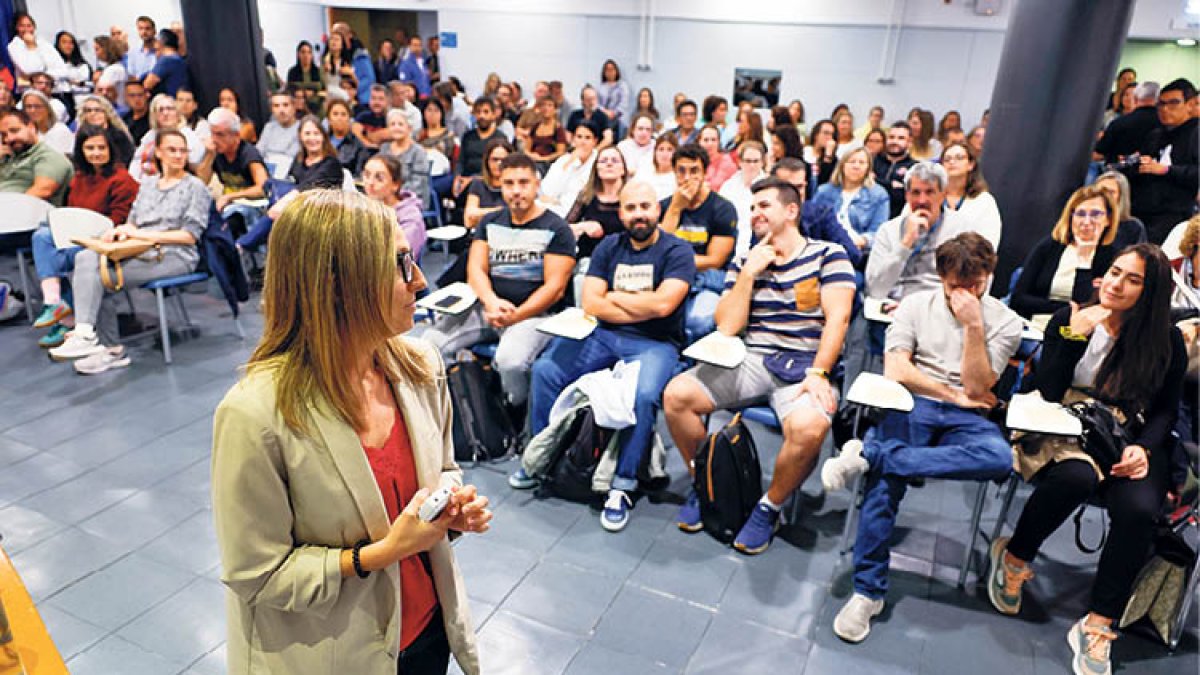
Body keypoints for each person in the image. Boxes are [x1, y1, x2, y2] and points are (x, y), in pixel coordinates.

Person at [211, 188, 489, 675]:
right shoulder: (255, 414)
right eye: (400, 265)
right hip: (332, 654)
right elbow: (256, 574)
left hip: (426, 631)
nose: (420, 280)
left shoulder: (420, 366)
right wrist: (380, 554)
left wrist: (449, 510)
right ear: (337, 285)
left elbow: (444, 468)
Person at [987, 245, 1185, 675]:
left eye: (1133, 280)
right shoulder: (1070, 317)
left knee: (1139, 509)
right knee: (1075, 478)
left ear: (1151, 292)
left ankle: (1098, 622)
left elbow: (1167, 409)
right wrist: (1072, 337)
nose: (1116, 284)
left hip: (1128, 431)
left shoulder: (1165, 339)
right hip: (1065, 419)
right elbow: (1048, 390)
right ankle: (1015, 556)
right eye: (1115, 272)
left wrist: (1143, 448)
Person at [823, 232, 1022, 643]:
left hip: (969, 418)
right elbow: (897, 370)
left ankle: (871, 454)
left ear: (989, 276)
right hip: (914, 404)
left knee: (999, 458)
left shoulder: (1003, 321)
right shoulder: (915, 305)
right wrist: (951, 394)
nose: (966, 294)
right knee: (883, 487)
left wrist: (973, 326)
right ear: (941, 277)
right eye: (956, 286)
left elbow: (978, 385)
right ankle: (867, 592)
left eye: (976, 285)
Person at [664, 176, 855, 552]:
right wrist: (749, 273)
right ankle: (707, 483)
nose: (755, 214)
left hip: (805, 366)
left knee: (810, 428)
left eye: (764, 206)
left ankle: (768, 507)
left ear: (791, 211)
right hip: (753, 358)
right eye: (752, 208)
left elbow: (839, 319)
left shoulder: (828, 254)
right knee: (676, 395)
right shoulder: (745, 259)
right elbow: (728, 326)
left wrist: (820, 373)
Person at [518, 180, 695, 530]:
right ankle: (542, 459)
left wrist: (615, 298)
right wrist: (640, 305)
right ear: (621, 213)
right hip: (602, 335)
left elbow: (664, 306)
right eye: (630, 208)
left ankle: (622, 485)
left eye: (645, 206)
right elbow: (591, 303)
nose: (639, 214)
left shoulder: (677, 251)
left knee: (643, 396)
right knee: (546, 370)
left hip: (656, 342)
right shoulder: (609, 247)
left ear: (657, 209)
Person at [422, 153, 576, 409]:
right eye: (509, 183)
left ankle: (512, 417)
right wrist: (492, 302)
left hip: (535, 315)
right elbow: (476, 270)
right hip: (488, 309)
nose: (516, 191)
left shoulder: (557, 228)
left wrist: (516, 316)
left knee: (510, 362)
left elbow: (555, 288)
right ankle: (462, 410)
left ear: (537, 185)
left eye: (523, 183)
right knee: (430, 344)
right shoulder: (489, 222)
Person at [49, 130, 209, 373]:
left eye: (182, 151)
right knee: (85, 258)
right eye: (172, 150)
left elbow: (189, 236)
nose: (178, 156)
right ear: (158, 153)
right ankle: (86, 334)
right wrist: (119, 232)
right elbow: (133, 222)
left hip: (175, 254)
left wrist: (144, 236)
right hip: (138, 249)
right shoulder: (148, 185)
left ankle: (106, 346)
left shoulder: (195, 187)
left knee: (97, 279)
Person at [30, 125, 136, 348]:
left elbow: (119, 220)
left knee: (58, 260)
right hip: (77, 236)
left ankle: (67, 318)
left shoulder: (122, 179)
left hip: (105, 241)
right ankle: (54, 302)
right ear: (81, 150)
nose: (96, 153)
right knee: (42, 236)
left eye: (101, 148)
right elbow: (71, 212)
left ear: (110, 149)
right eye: (90, 148)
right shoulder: (79, 178)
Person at [1010, 185, 1121, 331]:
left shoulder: (1113, 259)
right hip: (1033, 327)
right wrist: (1067, 307)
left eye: (1095, 214)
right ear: (1070, 217)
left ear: (1108, 219)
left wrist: (1084, 263)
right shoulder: (1050, 246)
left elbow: (1090, 309)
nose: (1087, 221)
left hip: (1076, 333)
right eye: (1080, 214)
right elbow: (1018, 299)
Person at [660, 143, 737, 340]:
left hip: (708, 278)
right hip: (671, 277)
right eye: (681, 171)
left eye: (694, 171)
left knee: (697, 321)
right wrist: (675, 208)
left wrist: (674, 260)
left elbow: (715, 260)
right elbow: (656, 250)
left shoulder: (722, 208)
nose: (687, 178)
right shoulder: (665, 206)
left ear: (705, 173)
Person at [866, 162, 975, 301]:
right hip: (891, 303)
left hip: (938, 304)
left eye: (930, 192)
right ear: (907, 196)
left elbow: (969, 284)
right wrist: (906, 243)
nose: (922, 200)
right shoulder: (888, 230)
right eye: (916, 193)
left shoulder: (961, 228)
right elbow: (874, 289)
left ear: (943, 195)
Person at [238, 115, 344, 253]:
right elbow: (291, 182)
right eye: (307, 133)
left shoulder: (331, 164)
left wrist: (281, 205)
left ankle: (244, 244)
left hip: (318, 212)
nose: (312, 138)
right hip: (293, 208)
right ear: (300, 136)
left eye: (316, 133)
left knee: (278, 211)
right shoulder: (299, 160)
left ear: (323, 136)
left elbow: (305, 188)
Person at [1131, 78, 1198, 244]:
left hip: (1173, 213)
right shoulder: (1155, 135)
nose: (1165, 109)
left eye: (1173, 103)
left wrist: (1166, 170)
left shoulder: (1195, 134)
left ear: (1190, 104)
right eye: (1161, 104)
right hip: (1142, 208)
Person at [197, 107, 269, 231]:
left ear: (236, 135)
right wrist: (209, 155)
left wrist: (231, 197)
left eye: (220, 135)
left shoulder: (249, 154)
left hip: (251, 208)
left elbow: (263, 188)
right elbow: (201, 182)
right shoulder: (217, 152)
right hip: (228, 205)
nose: (214, 139)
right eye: (212, 134)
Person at [810, 147, 890, 255]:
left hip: (859, 252)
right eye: (852, 161)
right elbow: (811, 223)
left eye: (861, 162)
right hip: (824, 249)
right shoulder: (823, 191)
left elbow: (879, 232)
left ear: (868, 168)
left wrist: (862, 240)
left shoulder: (879, 195)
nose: (856, 166)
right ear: (842, 165)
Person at [566, 145, 627, 264]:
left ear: (623, 169)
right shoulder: (585, 196)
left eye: (615, 160)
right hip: (590, 259)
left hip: (624, 258)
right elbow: (564, 228)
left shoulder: (632, 196)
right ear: (596, 169)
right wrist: (583, 226)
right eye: (603, 161)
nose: (609, 164)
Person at [0, 109, 72, 206]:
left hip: (24, 211)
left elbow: (42, 191)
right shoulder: (7, 156)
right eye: (4, 134)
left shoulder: (48, 156)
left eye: (14, 131)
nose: (9, 138)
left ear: (31, 127)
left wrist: (9, 209)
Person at [936, 141, 1001, 246]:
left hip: (972, 255)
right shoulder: (930, 197)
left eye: (959, 158)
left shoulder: (984, 201)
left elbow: (989, 241)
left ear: (971, 164)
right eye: (947, 159)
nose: (952, 162)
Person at [363, 154, 427, 260]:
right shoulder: (362, 208)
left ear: (395, 185)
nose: (370, 182)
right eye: (366, 175)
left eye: (379, 178)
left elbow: (402, 258)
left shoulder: (410, 217)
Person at [129, 94, 204, 180]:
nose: (165, 113)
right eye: (161, 110)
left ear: (177, 113)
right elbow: (137, 161)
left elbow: (197, 159)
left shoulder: (186, 134)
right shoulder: (151, 135)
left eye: (169, 109)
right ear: (155, 115)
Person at [540, 120, 598, 217]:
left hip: (579, 212)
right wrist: (569, 163)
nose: (582, 142)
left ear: (595, 141)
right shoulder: (564, 160)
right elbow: (547, 191)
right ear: (573, 139)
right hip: (554, 206)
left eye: (587, 138)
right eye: (579, 137)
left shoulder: (598, 161)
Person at [720, 141, 768, 256]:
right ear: (740, 162)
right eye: (748, 161)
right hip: (731, 241)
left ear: (762, 162)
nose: (752, 165)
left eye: (756, 161)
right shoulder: (729, 186)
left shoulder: (769, 186)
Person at [1094, 81, 1159, 165]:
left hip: (1119, 170)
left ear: (1135, 98)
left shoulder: (1118, 123)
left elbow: (1099, 153)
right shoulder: (1166, 124)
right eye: (1126, 95)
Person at [377, 109, 430, 202]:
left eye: (400, 124)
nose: (396, 128)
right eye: (392, 124)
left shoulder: (418, 151)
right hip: (385, 197)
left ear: (409, 128)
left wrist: (393, 193)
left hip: (411, 199)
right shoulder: (384, 148)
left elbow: (419, 183)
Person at [7, 14, 68, 92]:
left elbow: (63, 70)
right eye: (22, 26)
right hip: (31, 92)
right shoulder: (14, 46)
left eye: (29, 26)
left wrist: (45, 76)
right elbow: (31, 69)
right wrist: (31, 46)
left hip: (55, 90)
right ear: (17, 28)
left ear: (34, 27)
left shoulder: (44, 43)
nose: (26, 29)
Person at [455, 96, 502, 193]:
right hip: (465, 178)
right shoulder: (468, 136)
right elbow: (461, 161)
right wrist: (457, 177)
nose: (481, 116)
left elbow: (497, 168)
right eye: (478, 112)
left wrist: (472, 179)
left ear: (493, 115)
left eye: (486, 112)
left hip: (487, 180)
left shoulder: (500, 138)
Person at [462, 138, 512, 230]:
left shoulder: (515, 186)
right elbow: (468, 220)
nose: (499, 163)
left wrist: (481, 214)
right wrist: (500, 211)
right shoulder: (478, 183)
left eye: (504, 160)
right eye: (495, 159)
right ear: (487, 161)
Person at [1093, 169, 1147, 249]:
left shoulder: (1133, 227)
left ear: (1121, 196)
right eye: (1100, 191)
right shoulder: (1084, 221)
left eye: (1111, 192)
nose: (1104, 195)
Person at [75, 95, 136, 166]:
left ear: (107, 113)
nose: (93, 114)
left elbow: (126, 161)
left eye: (97, 110)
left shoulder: (119, 136)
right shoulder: (81, 136)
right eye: (88, 111)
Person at [872, 121, 915, 219]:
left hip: (898, 219)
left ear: (910, 142)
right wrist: (891, 184)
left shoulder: (914, 167)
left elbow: (902, 196)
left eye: (901, 138)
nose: (895, 141)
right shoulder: (873, 161)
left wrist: (876, 180)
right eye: (891, 137)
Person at [19, 90, 72, 156]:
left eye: (37, 106)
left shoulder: (61, 130)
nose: (33, 110)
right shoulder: (23, 132)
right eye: (28, 106)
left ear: (48, 109)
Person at [142, 28, 188, 96]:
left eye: (156, 50)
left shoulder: (166, 60)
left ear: (160, 43)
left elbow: (147, 84)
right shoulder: (179, 60)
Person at [636, 132, 679, 201]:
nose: (665, 154)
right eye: (661, 149)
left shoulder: (678, 177)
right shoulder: (644, 171)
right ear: (655, 152)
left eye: (669, 150)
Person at [525, 96, 567, 167]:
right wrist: (532, 155)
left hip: (549, 164)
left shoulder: (558, 129)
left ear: (555, 110)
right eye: (543, 105)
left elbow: (560, 152)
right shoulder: (535, 127)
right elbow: (526, 149)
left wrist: (544, 159)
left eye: (549, 105)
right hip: (533, 161)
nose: (546, 108)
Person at [91, 36, 128, 110]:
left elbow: (100, 91)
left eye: (97, 49)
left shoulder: (113, 70)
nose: (95, 53)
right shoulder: (117, 67)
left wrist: (96, 81)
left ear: (106, 49)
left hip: (114, 108)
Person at [697, 124, 737, 191]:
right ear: (699, 142)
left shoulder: (727, 163)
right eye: (706, 140)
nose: (710, 144)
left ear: (718, 142)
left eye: (713, 140)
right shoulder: (694, 161)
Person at [596, 59, 631, 135]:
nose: (610, 72)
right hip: (604, 116)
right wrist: (605, 112)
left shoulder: (622, 86)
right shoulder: (600, 87)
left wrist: (614, 113)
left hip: (619, 118)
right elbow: (596, 104)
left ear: (616, 71)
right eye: (607, 70)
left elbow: (624, 103)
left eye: (612, 69)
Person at [287, 40, 324, 106]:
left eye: (309, 52)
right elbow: (289, 90)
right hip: (298, 105)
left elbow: (325, 91)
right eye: (303, 52)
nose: (306, 55)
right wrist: (304, 93)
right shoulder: (292, 72)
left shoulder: (318, 71)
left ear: (312, 55)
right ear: (298, 54)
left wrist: (314, 93)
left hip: (317, 105)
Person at [803, 119, 838, 186]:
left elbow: (824, 181)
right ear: (816, 135)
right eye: (826, 133)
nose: (829, 137)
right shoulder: (803, 153)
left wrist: (828, 154)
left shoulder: (833, 160)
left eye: (832, 135)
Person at [125, 16, 158, 80]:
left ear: (154, 31)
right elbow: (131, 75)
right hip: (137, 85)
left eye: (147, 28)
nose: (144, 32)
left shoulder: (161, 51)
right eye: (140, 28)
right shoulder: (133, 52)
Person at [121, 80, 151, 145]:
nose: (137, 99)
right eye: (132, 95)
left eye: (140, 95)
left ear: (146, 95)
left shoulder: (153, 119)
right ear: (126, 98)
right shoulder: (123, 119)